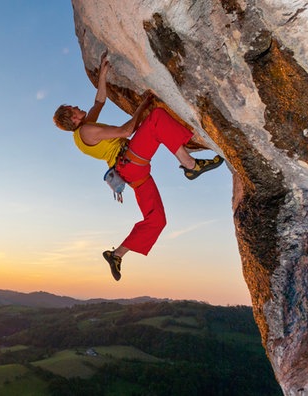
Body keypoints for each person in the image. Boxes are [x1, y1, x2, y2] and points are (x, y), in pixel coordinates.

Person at [52, 51, 224, 281]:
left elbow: (99, 101)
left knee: (157, 220)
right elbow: (126, 131)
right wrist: (142, 105)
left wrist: (103, 74)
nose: (76, 107)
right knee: (156, 118)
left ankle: (117, 254)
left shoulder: (84, 128)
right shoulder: (86, 130)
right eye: (73, 109)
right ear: (73, 119)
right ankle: (190, 165)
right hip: (130, 161)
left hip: (131, 172)